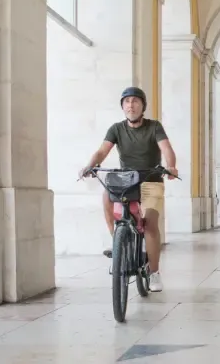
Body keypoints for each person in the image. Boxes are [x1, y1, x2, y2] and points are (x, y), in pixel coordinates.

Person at [79, 87, 178, 293]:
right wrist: (90, 165)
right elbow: (102, 151)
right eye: (127, 102)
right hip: (126, 181)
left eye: (135, 101)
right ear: (123, 107)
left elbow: (166, 148)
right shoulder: (116, 129)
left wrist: (171, 166)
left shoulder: (154, 127)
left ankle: (154, 273)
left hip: (151, 181)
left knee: (150, 223)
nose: (131, 105)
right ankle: (116, 239)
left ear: (142, 106)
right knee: (107, 195)